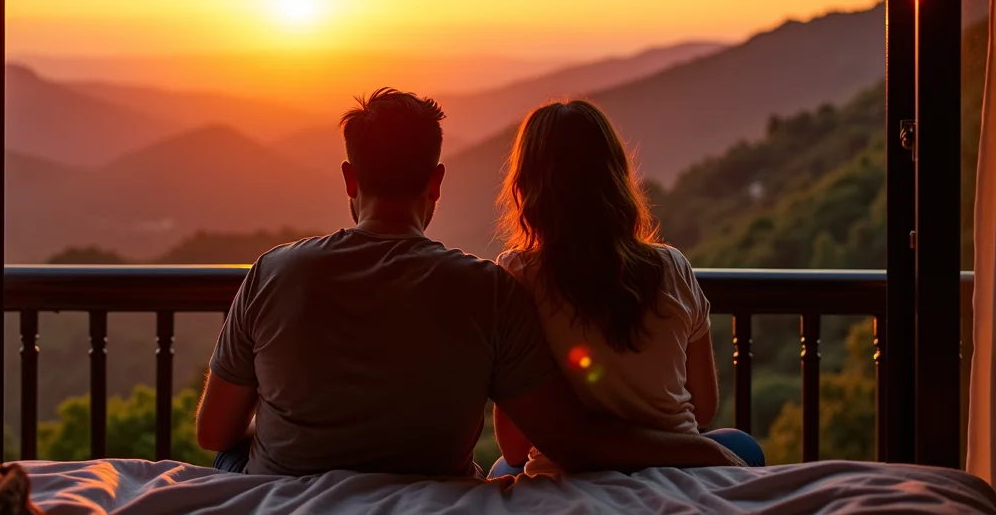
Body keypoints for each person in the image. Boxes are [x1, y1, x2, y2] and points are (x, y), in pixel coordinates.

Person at [194, 88, 746, 477]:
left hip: (284, 485)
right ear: (435, 182)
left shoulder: (273, 271)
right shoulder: (487, 289)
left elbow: (214, 434)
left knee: (232, 456)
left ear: (349, 178)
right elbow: (574, 437)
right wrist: (702, 452)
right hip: (437, 485)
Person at [489, 99, 766, 478]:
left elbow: (515, 448)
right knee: (741, 445)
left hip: (568, 470)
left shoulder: (517, 277)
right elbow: (703, 408)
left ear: (526, 187)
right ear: (618, 177)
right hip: (678, 463)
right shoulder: (673, 267)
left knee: (503, 467)